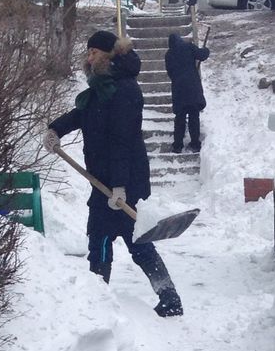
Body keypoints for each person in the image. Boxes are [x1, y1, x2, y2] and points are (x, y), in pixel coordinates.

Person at [44, 29, 184, 318]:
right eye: (88, 52)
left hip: (124, 181)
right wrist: (56, 128)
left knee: (110, 240)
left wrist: (120, 187)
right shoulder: (103, 86)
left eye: (93, 52)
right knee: (118, 240)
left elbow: (123, 139)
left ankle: (106, 299)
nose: (88, 56)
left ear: (107, 55)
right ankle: (162, 298)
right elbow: (82, 114)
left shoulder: (125, 89)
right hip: (105, 181)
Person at [164, 29, 210, 154]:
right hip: (192, 87)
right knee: (194, 115)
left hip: (178, 89)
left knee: (180, 117)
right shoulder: (188, 47)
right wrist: (206, 50)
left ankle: (177, 145)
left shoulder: (168, 55)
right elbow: (202, 55)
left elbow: (170, 73)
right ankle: (195, 143)